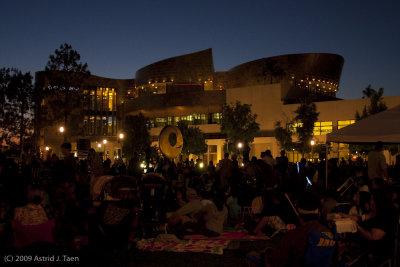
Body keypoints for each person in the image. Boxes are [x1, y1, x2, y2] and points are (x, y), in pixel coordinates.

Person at [266, 191, 334, 267]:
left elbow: (275, 261)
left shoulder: (292, 236)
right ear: (318, 214)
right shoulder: (330, 234)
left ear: (299, 216)